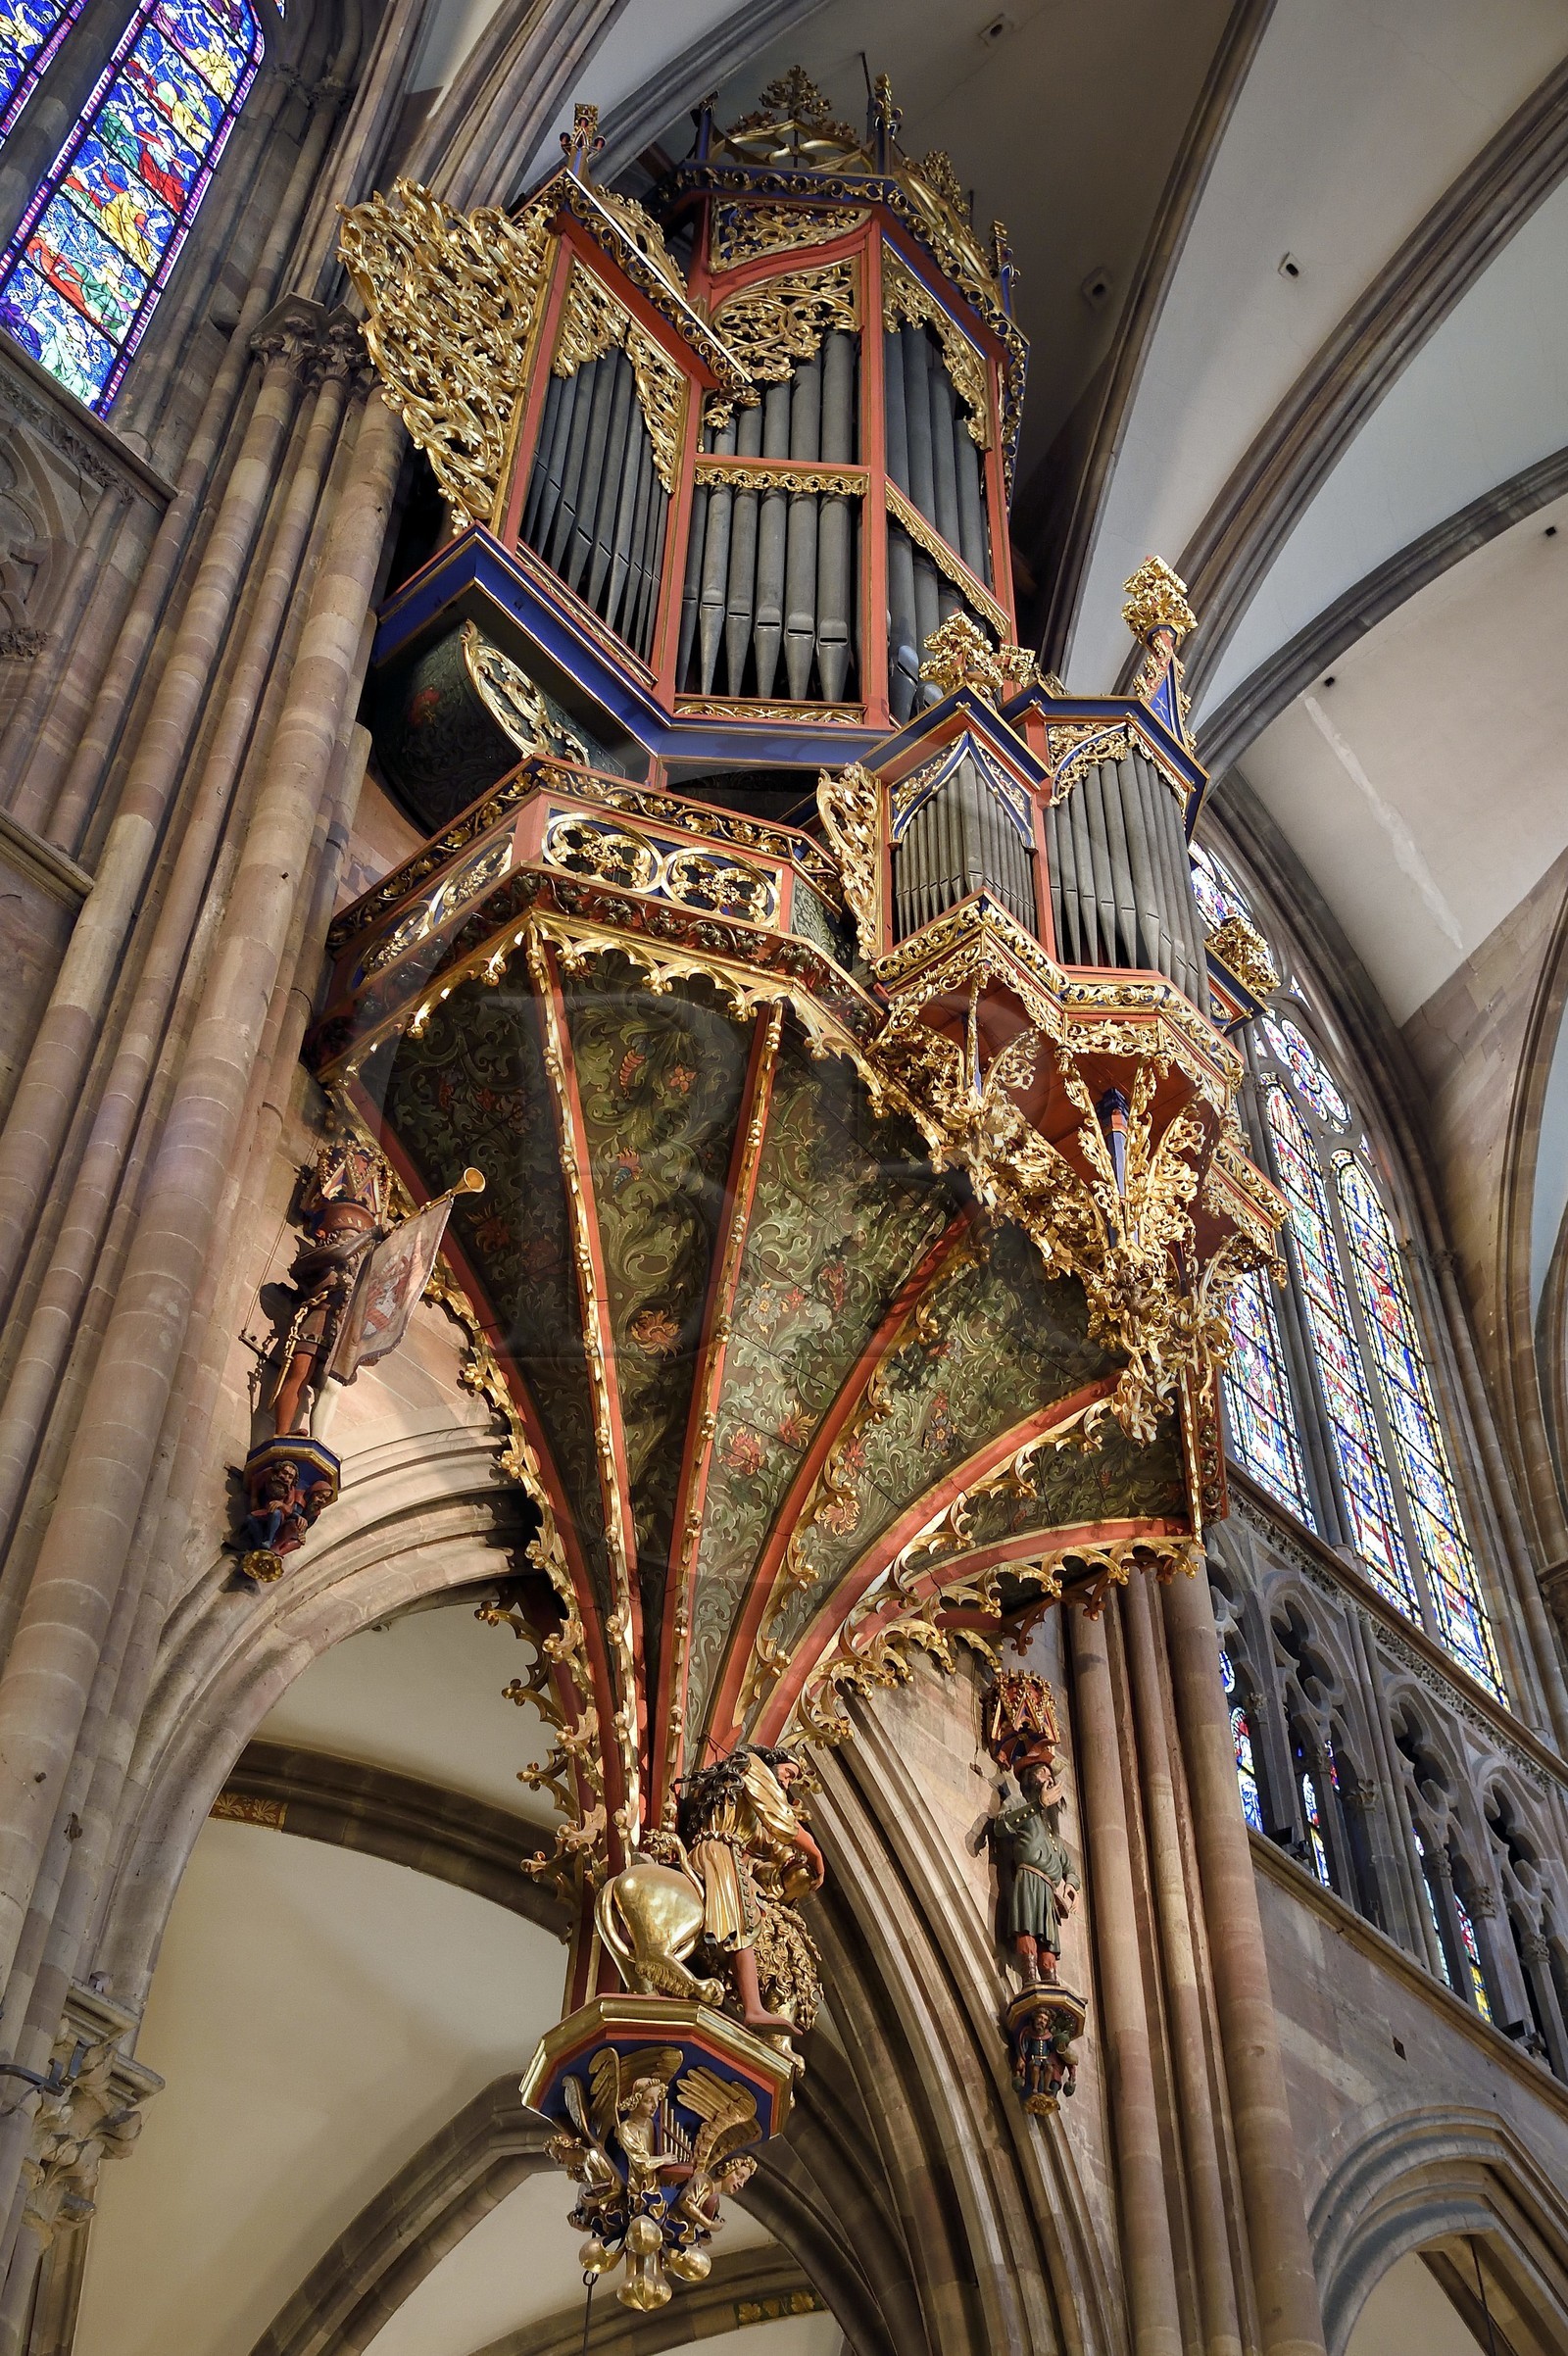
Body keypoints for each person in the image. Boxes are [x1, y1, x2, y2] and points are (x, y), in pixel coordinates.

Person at [678, 1746, 824, 2037]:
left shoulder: (738, 1795)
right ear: (773, 1763)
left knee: (755, 1908)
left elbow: (763, 1840)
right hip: (718, 1853)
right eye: (787, 1773)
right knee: (742, 1917)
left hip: (724, 1851)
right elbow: (781, 1820)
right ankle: (754, 2008)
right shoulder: (753, 1765)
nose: (785, 1782)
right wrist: (816, 1854)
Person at [987, 1762, 1080, 1987]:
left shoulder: (1052, 1833)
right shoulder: (1019, 1803)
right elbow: (1002, 1826)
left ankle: (1050, 1985)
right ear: (1030, 1779)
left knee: (1048, 1947)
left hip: (1048, 1892)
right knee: (1027, 1929)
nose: (1049, 1778)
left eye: (1051, 1775)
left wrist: (1072, 1885)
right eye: (1042, 1773)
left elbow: (1069, 1866)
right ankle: (1028, 1980)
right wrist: (1038, 1805)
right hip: (1028, 1880)